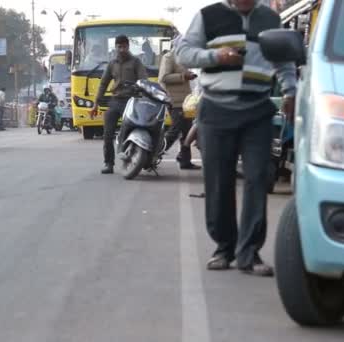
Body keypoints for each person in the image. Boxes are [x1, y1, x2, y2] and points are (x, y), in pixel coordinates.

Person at [176, 0, 297, 276]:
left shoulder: (269, 18)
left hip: (257, 110)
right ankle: (224, 247)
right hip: (216, 110)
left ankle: (250, 253)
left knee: (258, 178)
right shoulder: (208, 16)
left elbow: (283, 60)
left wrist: (290, 90)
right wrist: (215, 57)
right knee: (219, 180)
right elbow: (183, 52)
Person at [91, 35, 148, 174]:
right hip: (115, 101)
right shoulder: (112, 64)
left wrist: (144, 95)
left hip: (132, 101)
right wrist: (95, 104)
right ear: (115, 47)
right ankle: (108, 163)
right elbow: (103, 83)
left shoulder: (136, 62)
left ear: (128, 46)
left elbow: (144, 80)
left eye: (124, 46)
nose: (122, 49)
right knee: (107, 133)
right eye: (119, 46)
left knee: (133, 129)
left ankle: (137, 158)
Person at [159, 34, 201, 170]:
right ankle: (155, 153)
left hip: (186, 101)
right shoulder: (169, 57)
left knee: (187, 130)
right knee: (175, 130)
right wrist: (183, 76)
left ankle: (184, 160)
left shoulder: (183, 58)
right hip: (174, 100)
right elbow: (164, 77)